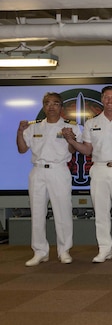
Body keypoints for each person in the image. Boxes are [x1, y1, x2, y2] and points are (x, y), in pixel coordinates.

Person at [67, 86, 112, 263]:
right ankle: (104, 249)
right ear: (102, 99)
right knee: (100, 212)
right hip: (99, 168)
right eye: (106, 97)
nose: (109, 101)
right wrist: (71, 141)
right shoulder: (92, 123)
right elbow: (87, 150)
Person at [16, 92, 82, 266]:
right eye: (47, 103)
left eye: (55, 103)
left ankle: (64, 250)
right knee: (37, 213)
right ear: (43, 106)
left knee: (63, 212)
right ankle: (40, 252)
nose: (51, 106)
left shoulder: (71, 127)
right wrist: (20, 131)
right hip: (38, 172)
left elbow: (73, 150)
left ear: (61, 107)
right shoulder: (33, 127)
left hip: (59, 171)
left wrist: (70, 137)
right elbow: (22, 149)